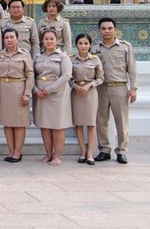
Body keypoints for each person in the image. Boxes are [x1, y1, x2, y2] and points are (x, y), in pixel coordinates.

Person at [91, 17, 137, 164]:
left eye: (110, 28)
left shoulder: (125, 47)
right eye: (104, 28)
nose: (107, 31)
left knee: (121, 122)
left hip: (119, 87)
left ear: (115, 29)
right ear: (99, 30)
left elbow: (132, 69)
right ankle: (104, 149)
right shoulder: (95, 48)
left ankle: (122, 151)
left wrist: (133, 88)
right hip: (101, 88)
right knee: (101, 120)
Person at [33, 29, 72, 166]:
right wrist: (35, 89)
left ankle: (57, 155)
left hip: (57, 94)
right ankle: (48, 154)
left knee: (57, 125)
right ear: (42, 41)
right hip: (41, 94)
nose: (49, 41)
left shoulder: (63, 56)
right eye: (46, 39)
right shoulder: (38, 56)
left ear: (57, 41)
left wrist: (50, 89)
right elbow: (31, 75)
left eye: (52, 39)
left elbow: (66, 75)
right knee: (45, 125)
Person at [0, 28, 34, 163]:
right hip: (4, 90)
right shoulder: (0, 55)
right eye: (6, 37)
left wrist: (27, 94)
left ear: (17, 39)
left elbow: (30, 75)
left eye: (12, 37)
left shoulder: (24, 54)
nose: (9, 40)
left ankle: (18, 152)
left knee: (19, 123)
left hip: (19, 89)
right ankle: (11, 150)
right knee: (7, 123)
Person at [70, 34, 104, 166]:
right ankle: (82, 151)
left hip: (90, 92)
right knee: (78, 123)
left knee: (91, 123)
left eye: (85, 43)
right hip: (76, 92)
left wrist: (89, 85)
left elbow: (101, 78)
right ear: (76, 45)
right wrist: (75, 86)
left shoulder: (95, 60)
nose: (83, 46)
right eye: (80, 43)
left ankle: (90, 152)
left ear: (90, 45)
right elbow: (68, 77)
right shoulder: (71, 59)